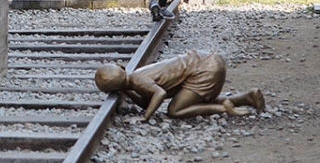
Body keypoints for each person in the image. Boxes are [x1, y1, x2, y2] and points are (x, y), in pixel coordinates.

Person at [94, 50, 266, 120]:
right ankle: (247, 97)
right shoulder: (139, 74)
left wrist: (146, 117)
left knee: (174, 110)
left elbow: (159, 94)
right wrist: (128, 91)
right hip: (207, 60)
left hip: (204, 70)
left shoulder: (138, 80)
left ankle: (223, 109)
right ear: (121, 67)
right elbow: (148, 100)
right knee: (191, 99)